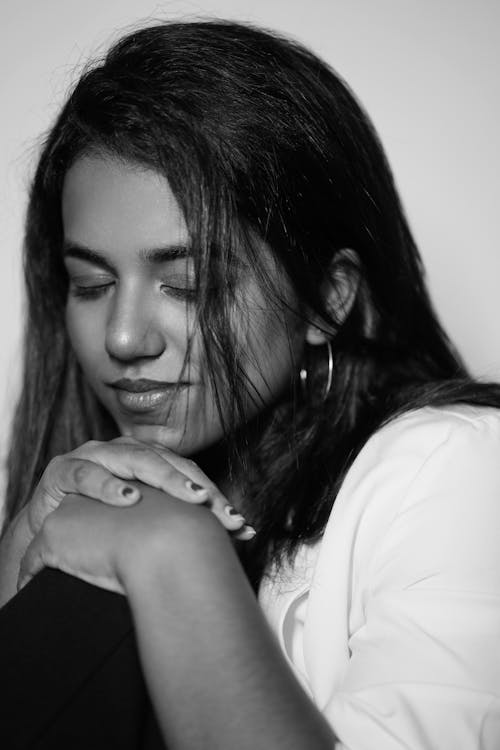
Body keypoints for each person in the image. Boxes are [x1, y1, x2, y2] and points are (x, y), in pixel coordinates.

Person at [1, 18, 500, 749]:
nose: (123, 337)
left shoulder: (456, 468)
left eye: (187, 283)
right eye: (90, 283)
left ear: (327, 298)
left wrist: (174, 553)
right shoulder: (88, 496)